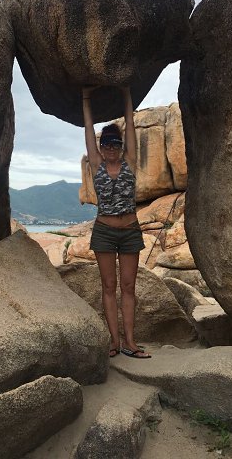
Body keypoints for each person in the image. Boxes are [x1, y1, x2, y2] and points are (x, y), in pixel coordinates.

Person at [82, 85, 151, 359]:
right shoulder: (96, 165)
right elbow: (88, 130)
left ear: (121, 147)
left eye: (116, 144)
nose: (111, 148)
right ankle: (114, 341)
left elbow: (130, 124)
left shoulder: (129, 162)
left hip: (130, 231)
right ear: (101, 147)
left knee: (129, 287)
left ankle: (130, 342)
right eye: (107, 144)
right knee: (109, 286)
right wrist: (86, 98)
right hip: (104, 232)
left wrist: (127, 95)